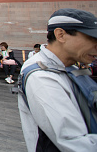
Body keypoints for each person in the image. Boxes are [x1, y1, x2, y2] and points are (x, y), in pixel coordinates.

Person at [18, 8, 97, 151]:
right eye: (91, 39)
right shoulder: (41, 77)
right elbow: (75, 142)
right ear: (60, 35)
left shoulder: (69, 67)